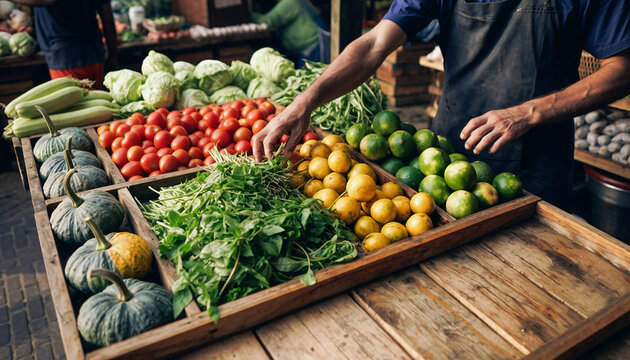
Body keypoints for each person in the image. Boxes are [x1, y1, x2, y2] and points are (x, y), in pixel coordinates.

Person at [252, 0, 630, 208]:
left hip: (539, 166)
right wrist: (304, 102)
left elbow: (622, 69)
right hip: (447, 157)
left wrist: (530, 112)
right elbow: (373, 45)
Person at [11, 0, 117, 89]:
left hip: (68, 55)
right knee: (95, 107)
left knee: (78, 108)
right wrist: (113, 54)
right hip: (94, 52)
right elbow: (108, 17)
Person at [251, 0, 330, 65]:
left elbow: (267, 22)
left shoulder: (289, 2)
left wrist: (245, 14)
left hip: (311, 50)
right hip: (315, 46)